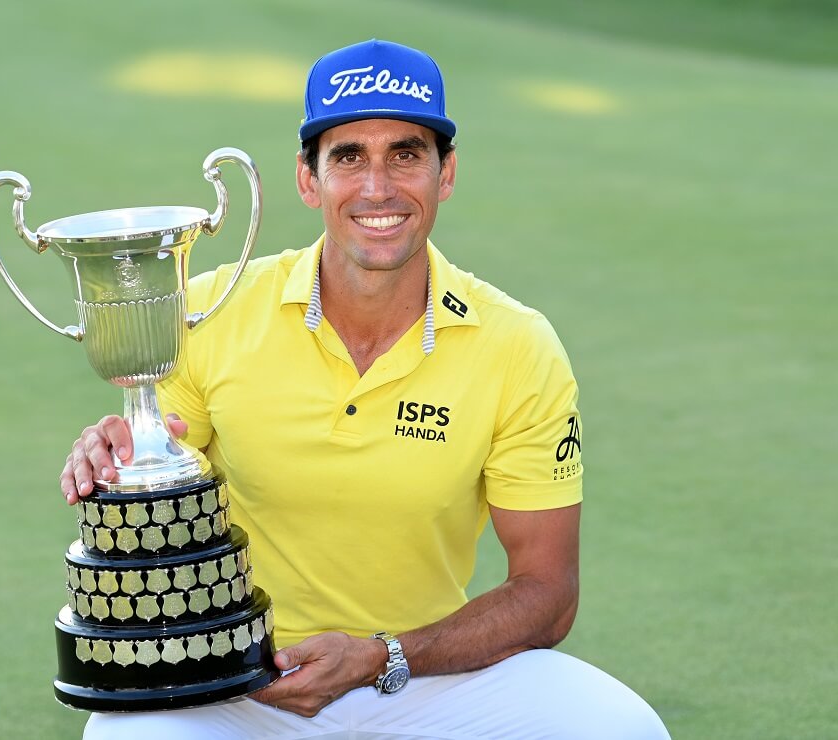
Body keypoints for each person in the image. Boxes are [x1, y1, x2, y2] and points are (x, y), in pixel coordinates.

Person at [61, 39, 670, 739]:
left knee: (622, 728)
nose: (377, 187)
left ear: (445, 174)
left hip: (419, 674)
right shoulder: (210, 310)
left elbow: (548, 593)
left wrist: (383, 655)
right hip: (238, 684)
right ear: (308, 179)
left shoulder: (517, 345)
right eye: (348, 156)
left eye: (406, 154)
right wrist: (116, 459)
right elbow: (157, 481)